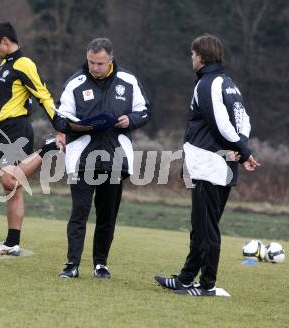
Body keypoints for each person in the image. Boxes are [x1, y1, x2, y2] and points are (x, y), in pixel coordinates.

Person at [154, 34, 260, 296]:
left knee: (206, 228)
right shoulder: (229, 84)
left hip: (208, 165)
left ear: (200, 57)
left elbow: (221, 124)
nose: (191, 59)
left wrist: (243, 152)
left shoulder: (208, 84)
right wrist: (241, 148)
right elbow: (244, 121)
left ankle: (207, 285)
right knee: (202, 225)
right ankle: (186, 278)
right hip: (221, 164)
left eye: (192, 55)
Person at [53, 38, 151, 278]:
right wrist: (77, 126)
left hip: (116, 159)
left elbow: (145, 110)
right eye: (91, 62)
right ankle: (72, 265)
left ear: (111, 59)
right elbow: (59, 118)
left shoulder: (128, 81)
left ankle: (100, 264)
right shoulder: (75, 83)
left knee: (107, 216)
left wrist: (131, 120)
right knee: (79, 213)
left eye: (100, 63)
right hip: (82, 159)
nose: (94, 67)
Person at [0, 22, 63, 256]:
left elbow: (42, 95)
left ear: (6, 41)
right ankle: (12, 243)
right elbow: (0, 103)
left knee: (8, 180)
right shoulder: (4, 65)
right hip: (4, 129)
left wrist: (61, 127)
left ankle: (47, 149)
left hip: (18, 129)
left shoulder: (24, 64)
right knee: (13, 189)